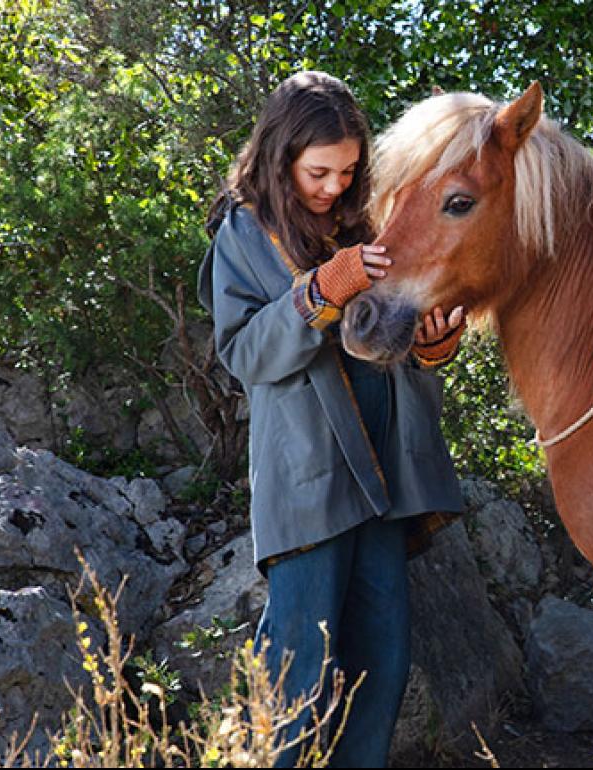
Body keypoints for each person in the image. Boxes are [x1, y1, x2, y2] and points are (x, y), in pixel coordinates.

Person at [197, 71, 466, 767]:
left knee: (382, 663)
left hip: (384, 480)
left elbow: (394, 347)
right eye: (319, 172)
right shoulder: (243, 236)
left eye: (348, 172)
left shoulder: (371, 221)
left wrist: (430, 342)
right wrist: (321, 290)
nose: (334, 187)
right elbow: (245, 353)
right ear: (282, 155)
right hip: (308, 483)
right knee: (297, 667)